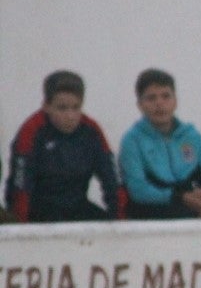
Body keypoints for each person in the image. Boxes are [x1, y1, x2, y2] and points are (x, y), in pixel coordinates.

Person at [5, 70, 126, 222]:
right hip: (39, 212)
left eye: (76, 107)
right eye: (62, 108)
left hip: (78, 208)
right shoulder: (31, 132)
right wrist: (20, 230)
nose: (70, 116)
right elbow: (20, 188)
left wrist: (119, 223)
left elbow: (112, 180)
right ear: (46, 106)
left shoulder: (91, 131)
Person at [118, 68, 201, 219]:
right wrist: (180, 198)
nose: (159, 103)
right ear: (140, 105)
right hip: (151, 207)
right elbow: (138, 190)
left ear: (175, 101)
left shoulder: (192, 136)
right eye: (151, 98)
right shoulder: (132, 140)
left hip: (190, 203)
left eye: (166, 96)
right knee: (185, 216)